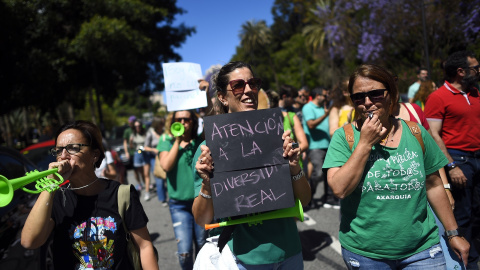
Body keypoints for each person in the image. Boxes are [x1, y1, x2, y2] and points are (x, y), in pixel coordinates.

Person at [323, 64, 470, 269]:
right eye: (358, 97)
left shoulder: (415, 132)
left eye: (375, 94)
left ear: (390, 94)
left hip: (422, 250)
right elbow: (339, 189)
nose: (367, 103)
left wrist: (453, 233)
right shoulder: (344, 137)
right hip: (366, 254)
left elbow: (434, 185)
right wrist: (365, 144)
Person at [192, 61, 311, 269]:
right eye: (238, 85)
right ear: (222, 97)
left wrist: (294, 168)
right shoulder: (208, 148)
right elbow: (202, 219)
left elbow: (305, 199)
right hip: (244, 257)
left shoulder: (278, 137)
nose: (248, 90)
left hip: (289, 250)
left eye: (253, 83)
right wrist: (206, 185)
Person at [21, 120, 158, 269]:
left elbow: (144, 246)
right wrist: (50, 187)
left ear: (95, 154)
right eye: (59, 150)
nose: (64, 156)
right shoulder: (57, 198)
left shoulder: (121, 194)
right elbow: (30, 241)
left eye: (73, 148)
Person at [425, 50, 480, 269]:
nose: (478, 71)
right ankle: (466, 262)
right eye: (475, 67)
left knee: (478, 211)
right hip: (459, 160)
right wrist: (452, 165)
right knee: (463, 215)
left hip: (478, 157)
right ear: (460, 71)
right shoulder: (438, 97)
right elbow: (434, 135)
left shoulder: (475, 92)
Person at [158, 110, 206, 270]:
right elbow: (165, 166)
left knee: (202, 245)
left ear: (193, 122)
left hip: (201, 202)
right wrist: (178, 140)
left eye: (186, 119)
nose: (183, 122)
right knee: (184, 251)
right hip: (179, 206)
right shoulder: (166, 141)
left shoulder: (200, 141)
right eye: (179, 119)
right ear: (173, 122)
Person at [302, 87, 336, 208]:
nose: (326, 98)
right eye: (325, 95)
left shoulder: (324, 107)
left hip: (328, 145)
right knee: (318, 172)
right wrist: (326, 114)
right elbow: (310, 124)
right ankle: (308, 197)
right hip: (315, 146)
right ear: (318, 95)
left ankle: (329, 197)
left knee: (330, 173)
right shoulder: (308, 107)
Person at [143, 116, 165, 202]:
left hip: (165, 156)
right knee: (159, 179)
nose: (163, 125)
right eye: (161, 123)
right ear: (157, 124)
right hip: (155, 159)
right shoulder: (150, 133)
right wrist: (153, 149)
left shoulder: (164, 132)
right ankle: (162, 199)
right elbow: (145, 147)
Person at [130, 119, 149, 194]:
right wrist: (130, 142)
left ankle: (147, 189)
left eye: (139, 126)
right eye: (136, 126)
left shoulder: (145, 133)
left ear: (141, 126)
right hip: (138, 153)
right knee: (140, 172)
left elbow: (148, 143)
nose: (137, 127)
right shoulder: (133, 135)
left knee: (146, 173)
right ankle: (142, 183)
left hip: (145, 153)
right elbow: (131, 147)